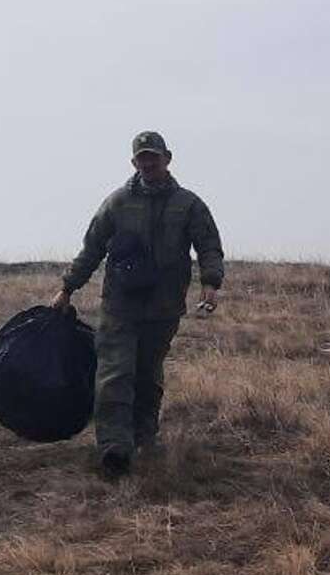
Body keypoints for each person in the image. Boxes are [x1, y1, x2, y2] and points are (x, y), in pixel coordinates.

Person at [51, 131, 223, 479]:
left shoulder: (188, 205)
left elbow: (208, 245)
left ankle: (144, 439)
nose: (148, 163)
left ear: (167, 158)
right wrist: (68, 287)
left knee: (147, 375)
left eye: (153, 157)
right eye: (142, 158)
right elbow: (92, 249)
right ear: (133, 162)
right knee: (115, 373)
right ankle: (114, 449)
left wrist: (210, 283)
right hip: (120, 305)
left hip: (164, 307)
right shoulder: (116, 203)